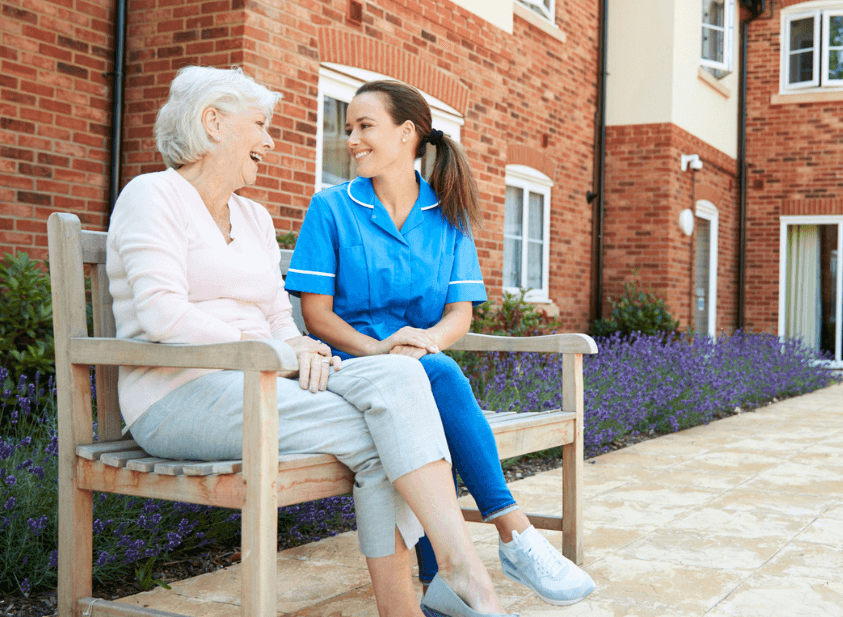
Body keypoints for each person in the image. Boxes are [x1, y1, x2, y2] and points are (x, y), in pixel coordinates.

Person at [107, 66, 516, 617]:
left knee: (402, 377)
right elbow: (162, 315)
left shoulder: (251, 215)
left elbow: (280, 314)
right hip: (179, 395)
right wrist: (281, 353)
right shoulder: (153, 195)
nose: (270, 140)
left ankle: (448, 579)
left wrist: (297, 347)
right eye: (259, 124)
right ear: (213, 124)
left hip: (263, 384)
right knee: (387, 432)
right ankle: (457, 577)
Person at [285, 80, 596, 606]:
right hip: (349, 366)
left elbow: (460, 313)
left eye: (365, 127)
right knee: (442, 378)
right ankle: (514, 533)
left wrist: (425, 341)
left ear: (407, 133)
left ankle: (439, 582)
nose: (352, 141)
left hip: (417, 368)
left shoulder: (447, 214)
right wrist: (379, 349)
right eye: (349, 129)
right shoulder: (331, 208)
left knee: (429, 383)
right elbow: (316, 314)